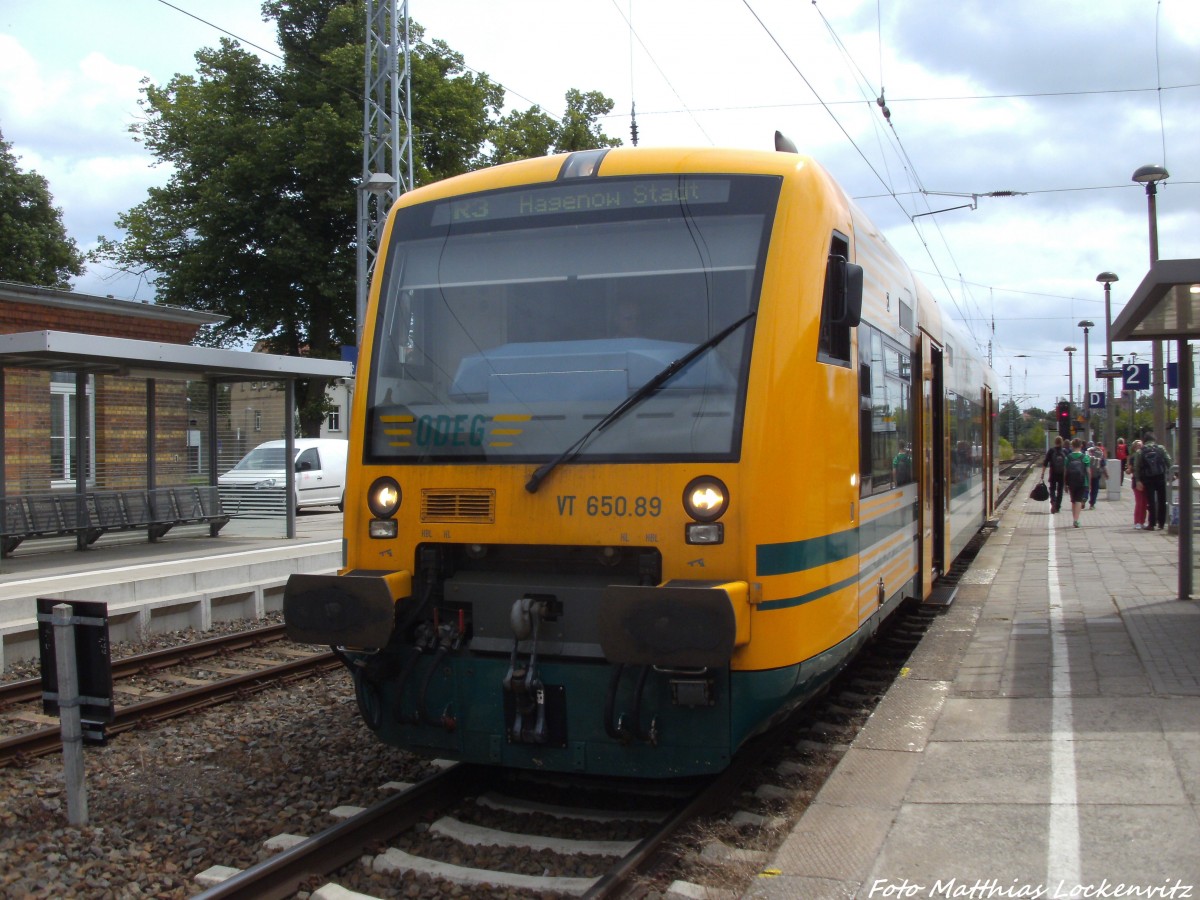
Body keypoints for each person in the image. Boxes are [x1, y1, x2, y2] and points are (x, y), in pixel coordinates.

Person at [1135, 432, 1172, 531]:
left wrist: (1138, 480)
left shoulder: (1140, 451)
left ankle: (1151, 524)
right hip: (1160, 477)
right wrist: (1173, 474)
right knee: (1162, 500)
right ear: (1154, 439)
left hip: (1148, 478)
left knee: (1151, 501)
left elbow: (1136, 467)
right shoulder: (1160, 448)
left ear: (1144, 440)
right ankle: (1161, 523)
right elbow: (1168, 460)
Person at [1063, 437, 1091, 528]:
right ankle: (1076, 520)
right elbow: (1088, 471)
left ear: (1072, 446)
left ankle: (1074, 519)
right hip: (1082, 482)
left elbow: (1065, 471)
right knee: (1079, 500)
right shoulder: (1085, 457)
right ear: (1081, 446)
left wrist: (1065, 484)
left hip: (1071, 482)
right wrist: (1089, 483)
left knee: (1073, 501)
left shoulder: (1068, 457)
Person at [1041, 435, 1068, 514]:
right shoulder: (1065, 451)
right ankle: (1058, 507)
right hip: (1062, 474)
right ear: (1062, 442)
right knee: (1060, 490)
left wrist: (1042, 473)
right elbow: (1067, 464)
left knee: (1052, 488)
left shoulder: (1051, 451)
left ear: (1055, 442)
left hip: (1053, 472)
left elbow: (1045, 463)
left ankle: (1053, 501)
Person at [1127, 439, 1147, 529]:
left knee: (1145, 503)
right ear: (1134, 448)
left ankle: (1142, 521)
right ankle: (1137, 522)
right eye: (1138, 446)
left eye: (1141, 445)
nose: (1140, 447)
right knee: (1139, 502)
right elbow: (1130, 469)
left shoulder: (1145, 455)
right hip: (1136, 480)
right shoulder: (1133, 457)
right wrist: (1129, 470)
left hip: (1145, 480)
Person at [1087, 442, 1106, 509]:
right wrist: (1106, 474)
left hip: (1088, 474)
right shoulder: (1100, 454)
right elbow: (1103, 466)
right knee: (1094, 489)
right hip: (1096, 474)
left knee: (1086, 488)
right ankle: (1092, 504)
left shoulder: (1087, 454)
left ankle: (1084, 498)